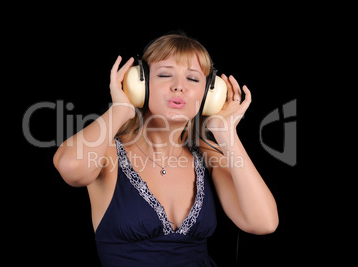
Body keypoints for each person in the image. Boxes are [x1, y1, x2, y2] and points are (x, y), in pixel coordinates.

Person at [53, 33, 278, 266]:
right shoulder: (106, 152)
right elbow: (71, 168)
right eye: (164, 74)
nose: (178, 87)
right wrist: (120, 109)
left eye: (192, 79)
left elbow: (264, 222)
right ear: (140, 84)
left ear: (210, 95)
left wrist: (225, 133)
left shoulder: (207, 158)